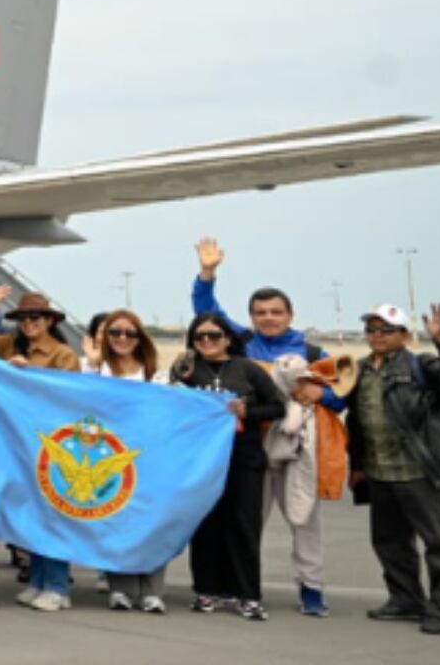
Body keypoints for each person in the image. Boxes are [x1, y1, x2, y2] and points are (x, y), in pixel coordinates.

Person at [191, 237, 344, 616]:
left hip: (295, 452)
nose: (268, 318)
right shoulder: (242, 344)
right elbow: (206, 314)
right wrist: (207, 274)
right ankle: (233, 586)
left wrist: (318, 395)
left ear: (290, 315)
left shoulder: (312, 353)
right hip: (253, 451)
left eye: (276, 311)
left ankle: (311, 589)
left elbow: (342, 396)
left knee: (304, 522)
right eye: (260, 312)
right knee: (245, 523)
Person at [347, 303, 440, 636]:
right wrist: (357, 464)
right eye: (371, 330)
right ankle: (406, 600)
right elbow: (357, 422)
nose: (376, 336)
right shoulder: (359, 370)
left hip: (419, 471)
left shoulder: (422, 365)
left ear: (403, 335)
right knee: (389, 541)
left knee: (437, 544)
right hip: (379, 471)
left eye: (385, 330)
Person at [171, 310, 285, 621]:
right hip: (201, 459)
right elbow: (172, 405)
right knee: (206, 524)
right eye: (200, 337)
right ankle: (206, 590)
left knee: (243, 524)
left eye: (214, 336)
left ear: (228, 339)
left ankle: (247, 594)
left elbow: (278, 407)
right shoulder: (187, 369)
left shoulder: (248, 369)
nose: (207, 341)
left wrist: (247, 412)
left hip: (243, 458)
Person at [0, 288, 81, 610]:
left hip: (54, 445)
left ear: (48, 320)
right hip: (20, 444)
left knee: (55, 515)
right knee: (32, 513)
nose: (29, 323)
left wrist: (28, 374)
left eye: (35, 317)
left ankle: (58, 586)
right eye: (23, 318)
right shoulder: (9, 346)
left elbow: (69, 398)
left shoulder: (63, 355)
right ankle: (38, 579)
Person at [81, 308, 168, 613]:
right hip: (109, 457)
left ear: (139, 337)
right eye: (115, 332)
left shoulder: (153, 372)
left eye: (129, 333)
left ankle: (153, 589)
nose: (122, 338)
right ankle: (121, 587)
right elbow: (76, 398)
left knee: (151, 521)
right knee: (116, 520)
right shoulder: (95, 368)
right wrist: (92, 364)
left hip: (147, 456)